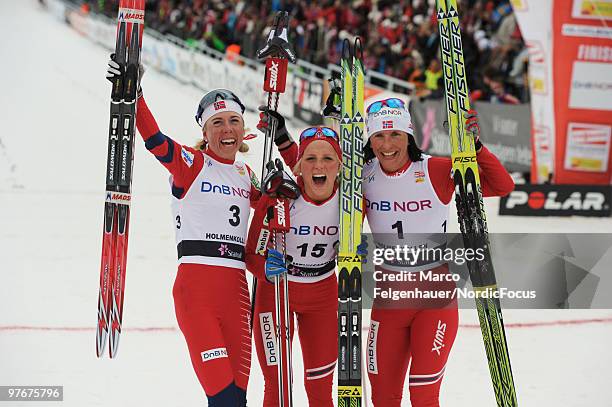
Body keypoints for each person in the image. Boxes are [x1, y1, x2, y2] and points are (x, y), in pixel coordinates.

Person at [106, 57, 260, 406]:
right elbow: (155, 140)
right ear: (204, 132)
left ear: (243, 130)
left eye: (234, 121)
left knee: (237, 400)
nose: (227, 129)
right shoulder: (191, 163)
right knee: (222, 399)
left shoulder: (247, 174)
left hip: (237, 293)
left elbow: (275, 211)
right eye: (217, 123)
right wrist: (135, 94)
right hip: (197, 293)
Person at [362, 98, 514, 407]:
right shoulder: (363, 177)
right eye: (378, 135)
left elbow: (502, 185)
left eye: (396, 135)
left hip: (435, 302)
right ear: (369, 140)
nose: (387, 144)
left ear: (409, 136)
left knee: (424, 397)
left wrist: (477, 148)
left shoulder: (435, 169)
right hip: (388, 303)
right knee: (383, 399)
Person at [245, 120, 341, 407]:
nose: (318, 166)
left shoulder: (350, 200)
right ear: (298, 166)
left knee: (320, 389)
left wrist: (357, 252)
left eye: (327, 158)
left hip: (323, 295)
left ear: (340, 165)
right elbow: (251, 254)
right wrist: (264, 268)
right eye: (310, 158)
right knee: (277, 386)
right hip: (275, 295)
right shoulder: (280, 197)